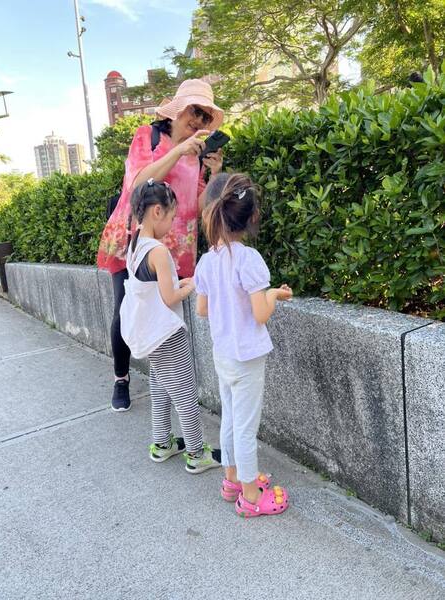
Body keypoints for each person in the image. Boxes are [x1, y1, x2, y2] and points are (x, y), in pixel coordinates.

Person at [97, 79, 224, 412]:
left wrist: (214, 174)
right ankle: (121, 377)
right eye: (195, 111)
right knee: (125, 309)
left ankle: (164, 393)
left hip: (176, 251)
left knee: (167, 318)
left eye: (205, 117)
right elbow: (138, 183)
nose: (199, 121)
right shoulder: (148, 137)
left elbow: (198, 206)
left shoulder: (198, 156)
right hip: (136, 242)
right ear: (178, 110)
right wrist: (178, 151)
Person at [194, 173, 293, 517]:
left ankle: (232, 478)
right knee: (246, 427)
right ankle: (251, 496)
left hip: (222, 354)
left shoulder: (207, 261)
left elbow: (202, 309)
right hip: (247, 358)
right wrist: (273, 295)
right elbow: (260, 314)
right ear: (251, 216)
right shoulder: (249, 260)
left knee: (230, 419)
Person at [120, 178, 221, 473]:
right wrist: (191, 286)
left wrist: (180, 283)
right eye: (171, 216)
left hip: (148, 332)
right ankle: (196, 453)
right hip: (166, 333)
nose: (173, 224)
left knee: (160, 386)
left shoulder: (135, 244)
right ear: (156, 211)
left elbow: (154, 287)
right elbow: (169, 297)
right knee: (185, 391)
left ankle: (162, 443)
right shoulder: (158, 251)